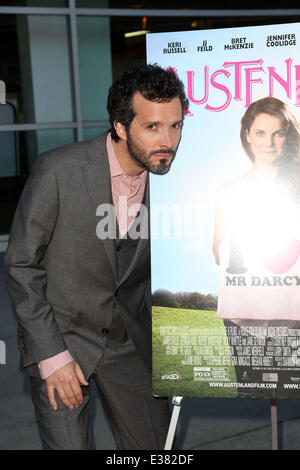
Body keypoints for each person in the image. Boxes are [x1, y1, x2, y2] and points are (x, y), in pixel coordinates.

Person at [4, 64, 189, 449]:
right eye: (152, 126)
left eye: (175, 126)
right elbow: (22, 264)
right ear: (121, 127)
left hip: (128, 341)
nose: (168, 140)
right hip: (62, 338)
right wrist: (51, 356)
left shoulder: (177, 181)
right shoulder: (58, 170)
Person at [212, 97, 300, 397]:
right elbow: (217, 249)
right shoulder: (228, 189)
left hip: (293, 311)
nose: (269, 142)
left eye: (278, 133)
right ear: (247, 134)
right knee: (250, 389)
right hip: (244, 312)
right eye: (260, 133)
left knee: (292, 391)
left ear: (288, 136)